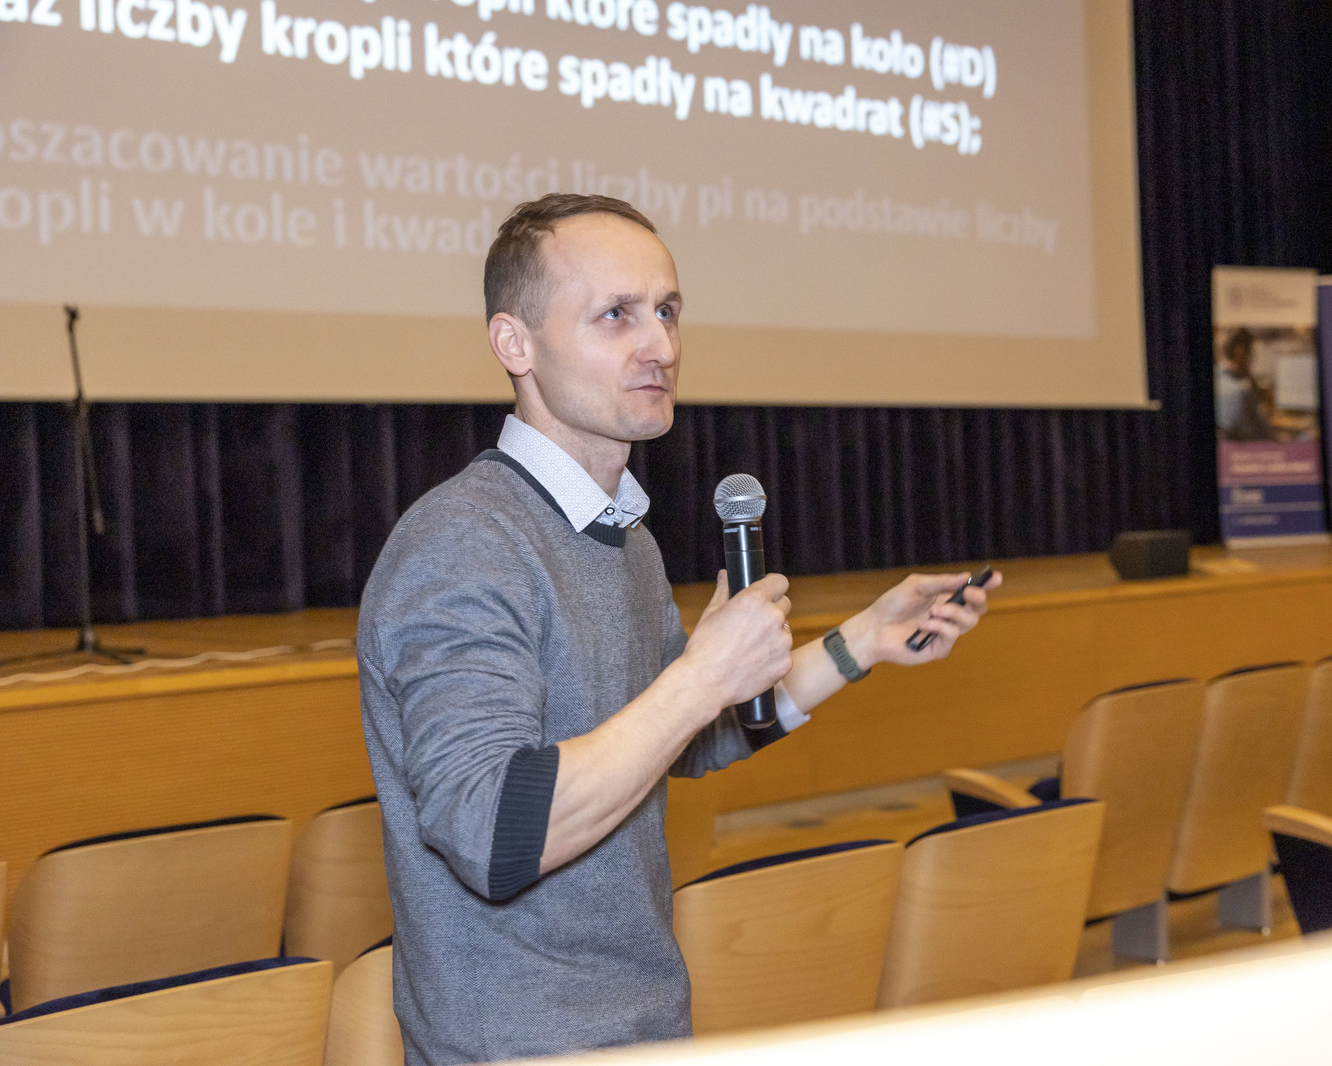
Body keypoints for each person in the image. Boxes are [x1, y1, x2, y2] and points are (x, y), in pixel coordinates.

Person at [357, 192, 1000, 1066]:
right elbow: (492, 833)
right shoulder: (464, 544)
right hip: (521, 1046)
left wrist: (860, 643)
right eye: (616, 315)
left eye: (666, 311)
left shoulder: (624, 539)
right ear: (515, 344)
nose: (659, 345)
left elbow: (682, 739)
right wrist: (699, 677)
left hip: (645, 1025)